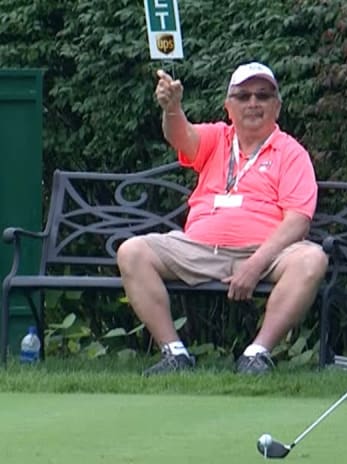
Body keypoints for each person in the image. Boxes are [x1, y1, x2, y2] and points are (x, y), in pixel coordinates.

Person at [116, 62, 328, 376]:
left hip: (264, 254)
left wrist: (256, 264)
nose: (253, 103)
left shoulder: (291, 152)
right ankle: (175, 355)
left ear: (277, 106)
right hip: (199, 248)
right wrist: (172, 108)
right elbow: (181, 137)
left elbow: (297, 221)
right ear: (228, 106)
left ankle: (257, 355)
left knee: (312, 259)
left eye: (263, 95)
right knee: (131, 251)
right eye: (243, 96)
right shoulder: (217, 137)